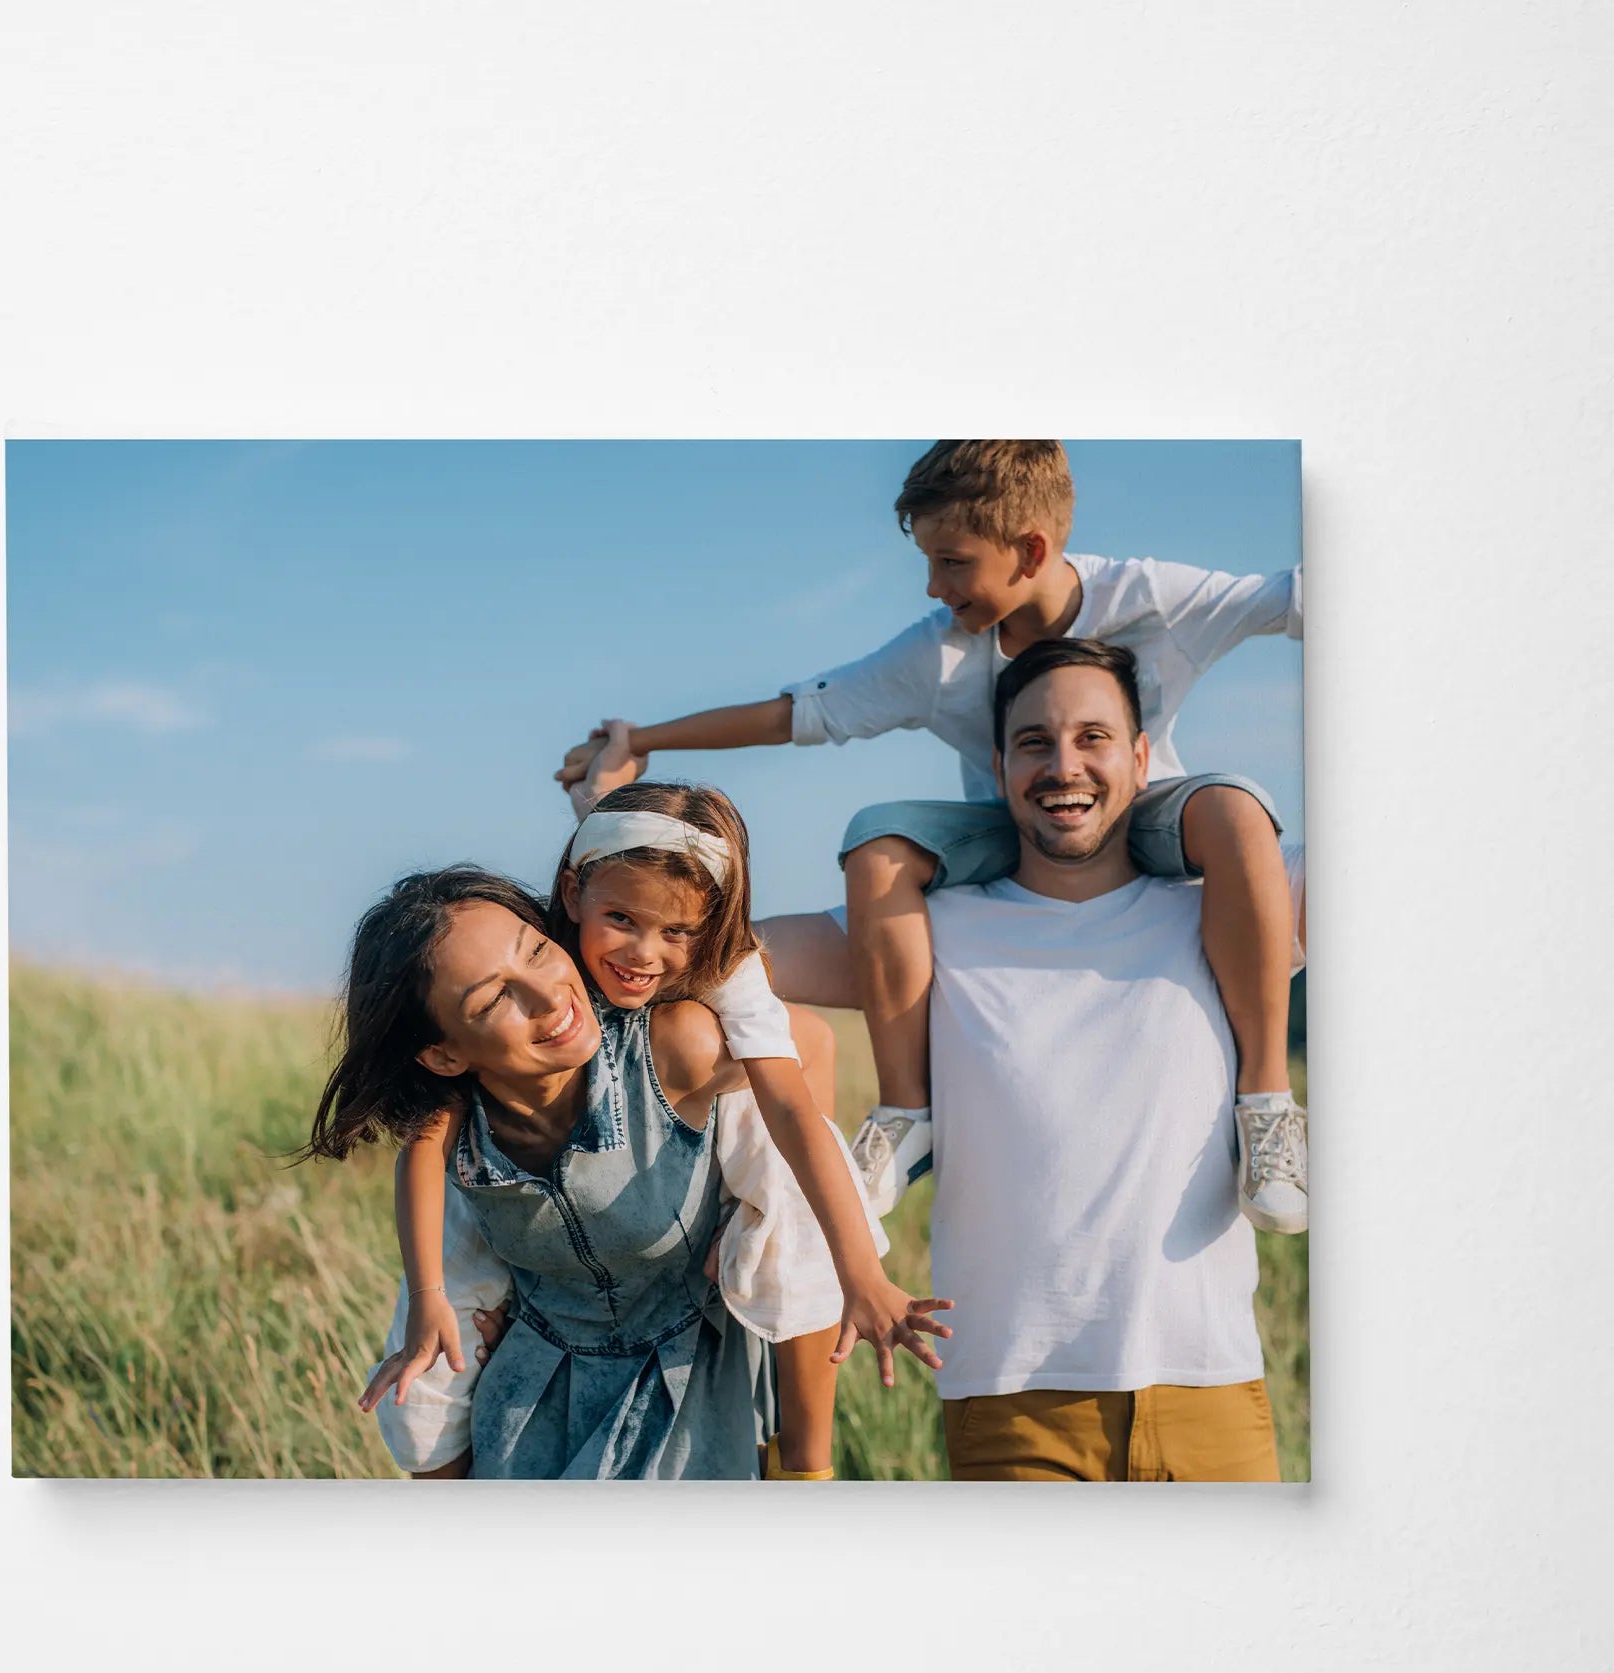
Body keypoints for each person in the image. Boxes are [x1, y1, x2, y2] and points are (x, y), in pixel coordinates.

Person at [553, 440, 1306, 1234]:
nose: (934, 587)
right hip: (1002, 833)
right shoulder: (940, 653)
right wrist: (646, 738)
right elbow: (799, 714)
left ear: (1033, 550)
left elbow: (1291, 598)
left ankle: (1266, 1101)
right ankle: (908, 1110)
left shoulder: (1153, 597)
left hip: (1147, 817)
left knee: (1234, 811)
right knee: (878, 843)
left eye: (952, 563)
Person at [305, 866, 948, 1480]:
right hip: (533, 1400)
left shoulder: (674, 1050)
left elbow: (811, 1046)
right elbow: (418, 1168)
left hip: (693, 1389)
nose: (547, 994)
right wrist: (432, 1302)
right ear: (444, 1054)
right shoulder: (458, 1125)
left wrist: (761, 1208)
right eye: (496, 996)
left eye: (535, 951)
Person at [924, 638, 1306, 1481]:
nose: (1064, 766)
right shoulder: (935, 927)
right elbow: (725, 950)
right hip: (1014, 1402)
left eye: (1093, 737)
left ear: (1142, 760)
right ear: (997, 766)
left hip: (1210, 1388)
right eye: (1035, 743)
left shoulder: (1228, 909)